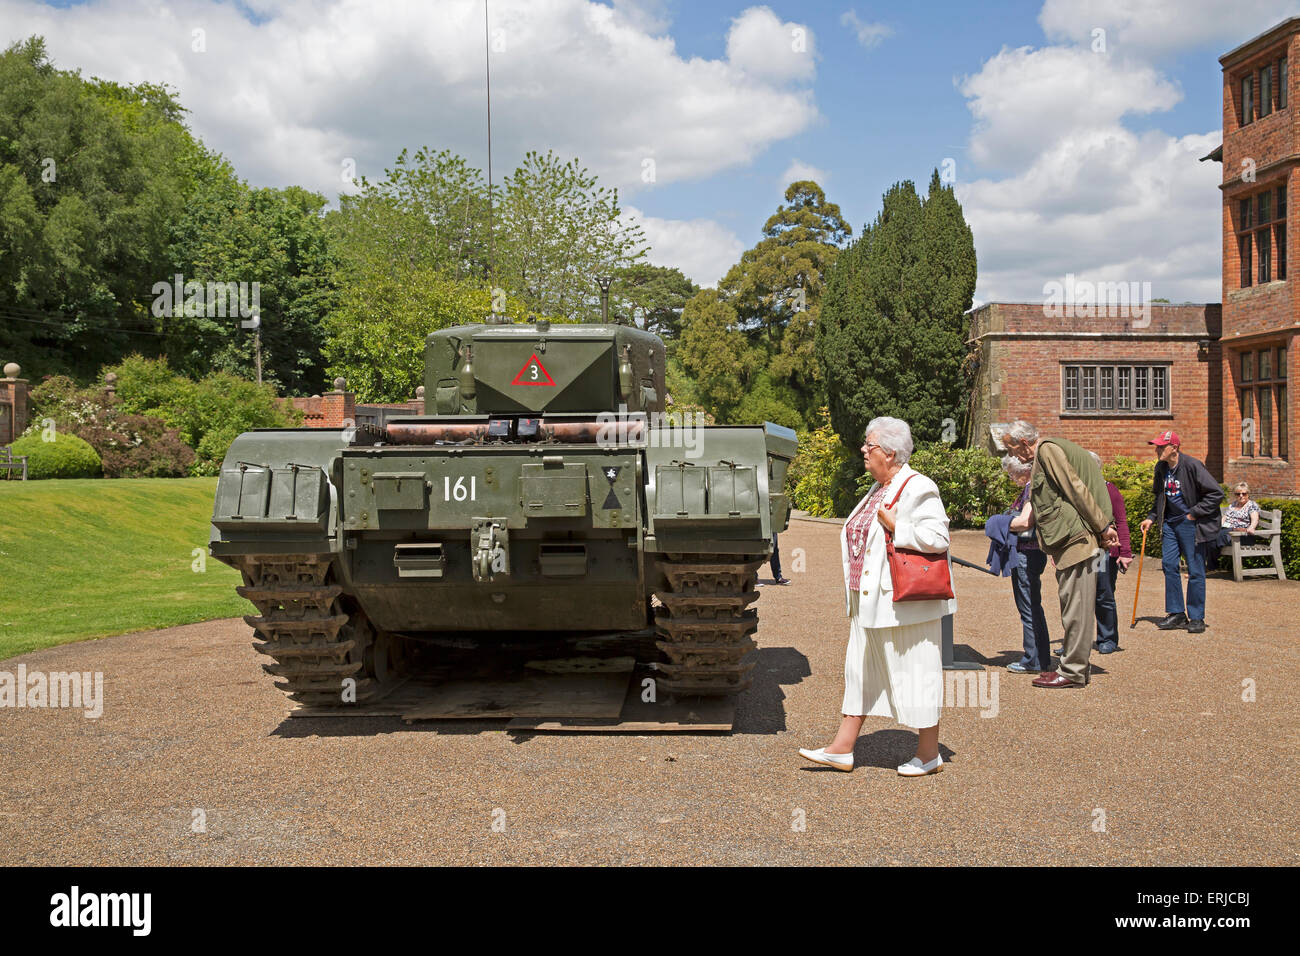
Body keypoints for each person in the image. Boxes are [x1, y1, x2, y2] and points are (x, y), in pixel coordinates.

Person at [799, 416, 956, 777]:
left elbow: (939, 537)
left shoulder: (919, 487)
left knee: (916, 672)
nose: (863, 450)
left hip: (903, 605)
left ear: (889, 452)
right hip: (867, 602)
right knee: (859, 673)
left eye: (869, 445)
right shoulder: (878, 488)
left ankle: (929, 754)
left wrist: (897, 526)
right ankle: (841, 749)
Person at [1001, 420, 1119, 689]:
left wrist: (1103, 526)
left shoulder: (1047, 451)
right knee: (1073, 606)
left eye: (1012, 449)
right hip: (1072, 538)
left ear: (1023, 443)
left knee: (1075, 609)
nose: (1012, 456)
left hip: (1076, 539)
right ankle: (1075, 667)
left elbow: (1075, 488)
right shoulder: (1048, 451)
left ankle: (1072, 671)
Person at [1137, 431, 1223, 635]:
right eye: (1156, 446)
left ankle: (1196, 617)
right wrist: (1151, 517)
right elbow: (1160, 496)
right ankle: (1177, 613)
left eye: (1161, 446)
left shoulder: (1193, 465)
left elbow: (1216, 493)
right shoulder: (1161, 468)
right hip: (1169, 524)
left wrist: (1194, 513)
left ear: (1174, 448)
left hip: (1190, 524)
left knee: (1195, 570)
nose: (1157, 450)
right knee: (1168, 565)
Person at [1002, 455, 1053, 673]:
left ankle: (1034, 659)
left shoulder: (1033, 489)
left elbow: (1025, 522)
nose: (1012, 479)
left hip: (1027, 553)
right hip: (1030, 553)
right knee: (1032, 606)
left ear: (1025, 470)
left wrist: (1000, 522)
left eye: (1013, 474)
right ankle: (1038, 657)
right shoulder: (1032, 488)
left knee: (1029, 607)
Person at [1090, 451, 1132, 654]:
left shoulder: (1110, 491)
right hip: (1081, 549)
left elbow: (1122, 522)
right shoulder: (1075, 491)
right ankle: (1075, 643)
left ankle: (1107, 638)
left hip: (1103, 551)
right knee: (1078, 596)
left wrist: (1125, 552)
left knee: (1103, 594)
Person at [1223, 482, 1261, 546]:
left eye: (1244, 494)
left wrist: (1252, 527)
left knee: (1217, 538)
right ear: (1235, 495)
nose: (1241, 496)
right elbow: (1224, 517)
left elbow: (1255, 519)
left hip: (1242, 536)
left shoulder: (1252, 505)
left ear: (1248, 494)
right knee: (1211, 536)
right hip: (1228, 531)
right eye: (1238, 494)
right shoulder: (1233, 504)